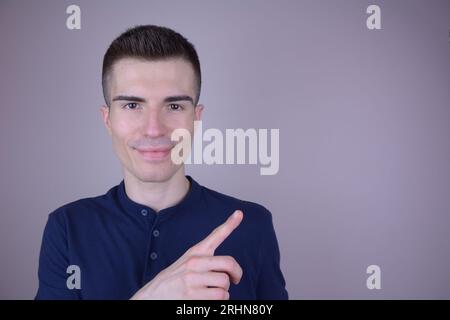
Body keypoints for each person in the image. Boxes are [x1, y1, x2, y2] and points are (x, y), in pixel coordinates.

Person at [35, 25, 288, 300]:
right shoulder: (67, 228)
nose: (154, 130)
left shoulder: (252, 225)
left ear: (196, 118)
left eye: (174, 106)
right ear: (107, 119)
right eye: (132, 105)